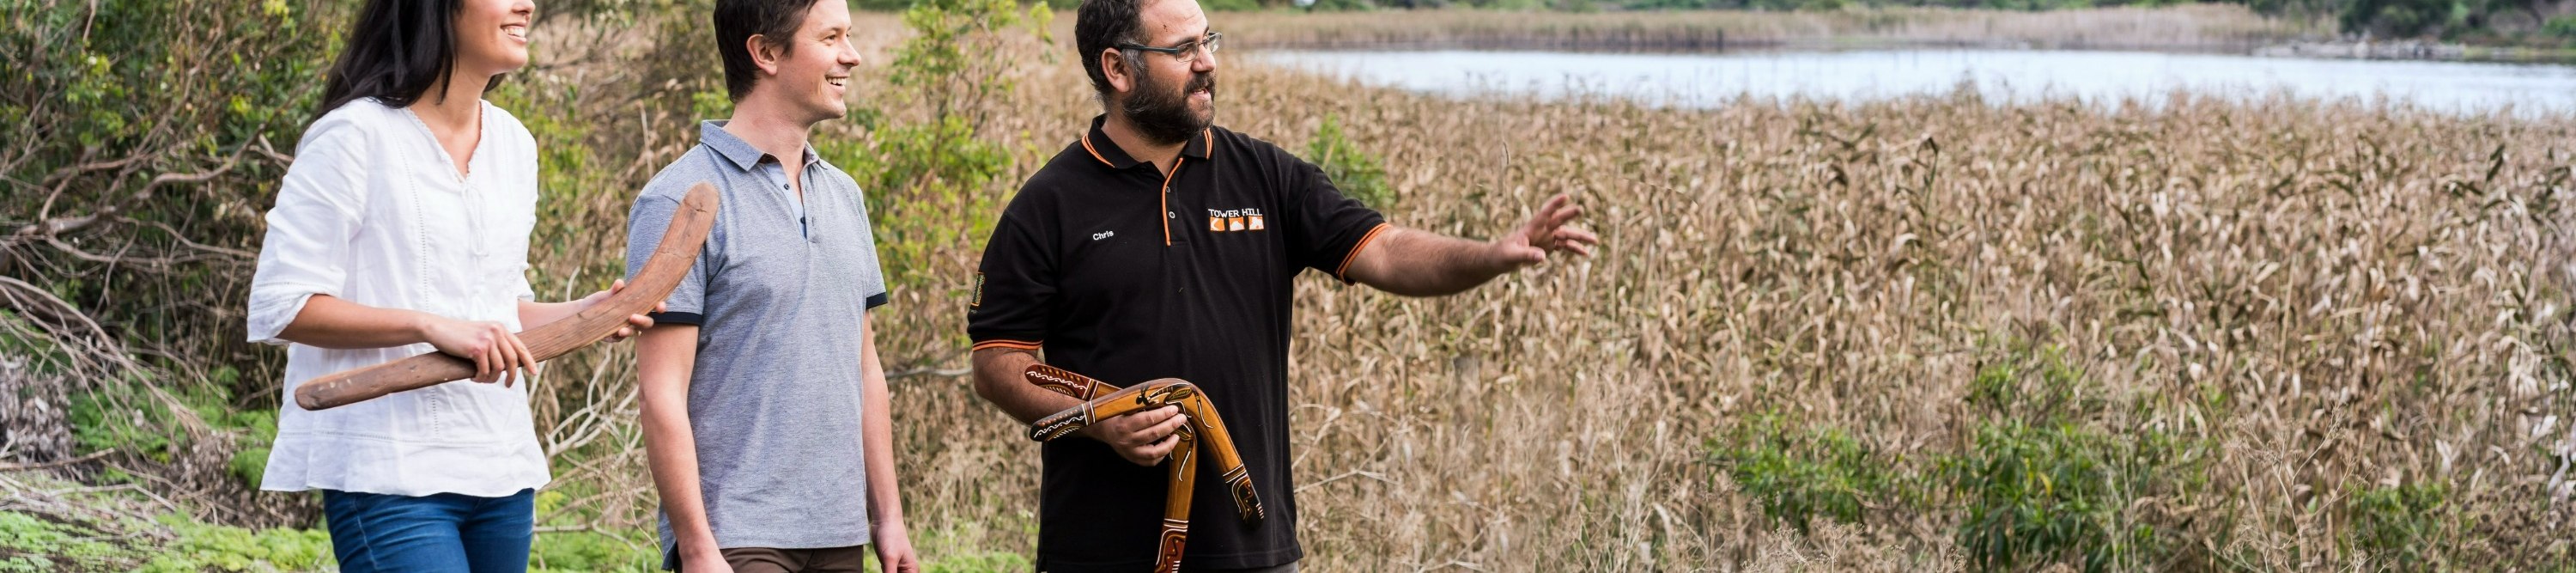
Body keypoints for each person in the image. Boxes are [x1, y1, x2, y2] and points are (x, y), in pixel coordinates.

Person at [965, 0, 1599, 570]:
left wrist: (1492, 253)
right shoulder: (1048, 205)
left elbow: (1387, 251)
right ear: (1118, 68)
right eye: (1182, 49)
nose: (1207, 62)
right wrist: (1100, 419)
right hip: (1099, 551)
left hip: (1252, 548)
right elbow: (999, 362)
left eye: (1208, 40)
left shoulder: (1265, 175)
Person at [245, 0, 656, 570]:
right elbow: (281, 303)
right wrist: (425, 324)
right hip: (386, 468)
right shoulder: (353, 136)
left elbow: (494, 311)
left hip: (499, 466)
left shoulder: (514, 145)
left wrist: (585, 313)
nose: (527, 4)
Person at [623, 0, 917, 571]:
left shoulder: (845, 196)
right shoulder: (677, 199)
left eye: (849, 37)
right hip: (736, 535)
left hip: (838, 530)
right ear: (765, 53)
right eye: (831, 38)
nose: (852, 56)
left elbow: (866, 370)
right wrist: (698, 546)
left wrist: (889, 518)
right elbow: (661, 390)